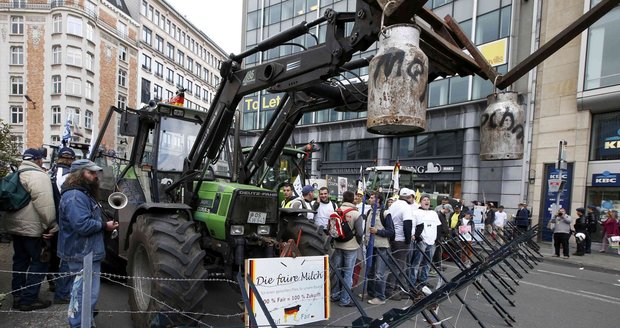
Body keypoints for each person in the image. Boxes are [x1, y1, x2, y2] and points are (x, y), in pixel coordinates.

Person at [57, 159, 119, 327]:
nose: (95, 176)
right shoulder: (76, 196)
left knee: (86, 293)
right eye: (90, 173)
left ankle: (85, 322)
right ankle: (78, 325)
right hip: (81, 254)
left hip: (85, 252)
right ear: (79, 174)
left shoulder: (81, 193)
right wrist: (104, 225)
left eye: (95, 173)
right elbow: (82, 225)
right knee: (83, 294)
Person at [3, 148, 57, 311]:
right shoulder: (39, 176)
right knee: (40, 262)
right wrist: (52, 225)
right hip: (33, 228)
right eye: (41, 159)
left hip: (15, 227)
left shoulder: (15, 174)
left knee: (20, 260)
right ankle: (29, 299)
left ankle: (18, 296)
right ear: (38, 160)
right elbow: (45, 204)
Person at [48, 146, 77, 303]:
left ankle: (55, 283)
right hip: (62, 220)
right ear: (71, 160)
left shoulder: (53, 172)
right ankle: (61, 290)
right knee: (65, 256)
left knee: (56, 253)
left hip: (55, 218)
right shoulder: (65, 176)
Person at [330, 191, 363, 307]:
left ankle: (334, 295)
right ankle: (345, 300)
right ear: (353, 199)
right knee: (348, 274)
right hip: (351, 246)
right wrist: (357, 243)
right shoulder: (356, 214)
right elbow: (360, 232)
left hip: (338, 244)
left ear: (343, 198)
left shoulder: (336, 211)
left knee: (337, 271)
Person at [384, 188, 416, 300]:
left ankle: (398, 288)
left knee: (398, 265)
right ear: (409, 197)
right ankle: (390, 290)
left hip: (393, 238)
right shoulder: (406, 207)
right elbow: (407, 224)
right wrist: (408, 240)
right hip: (401, 240)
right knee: (398, 266)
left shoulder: (394, 205)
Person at [363, 193, 394, 305]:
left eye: (372, 197)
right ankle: (371, 292)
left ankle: (380, 297)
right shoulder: (369, 212)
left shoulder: (385, 213)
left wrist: (378, 232)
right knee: (370, 271)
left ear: (378, 200)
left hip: (381, 246)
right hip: (370, 245)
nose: (369, 199)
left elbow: (391, 231)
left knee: (379, 273)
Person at [409, 195, 441, 287]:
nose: (426, 201)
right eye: (424, 200)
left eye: (428, 200)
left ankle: (423, 280)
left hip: (432, 242)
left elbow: (438, 226)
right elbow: (413, 226)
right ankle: (412, 282)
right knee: (416, 262)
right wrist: (417, 237)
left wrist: (437, 239)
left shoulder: (433, 213)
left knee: (427, 263)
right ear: (420, 202)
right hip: (422, 242)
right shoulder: (416, 212)